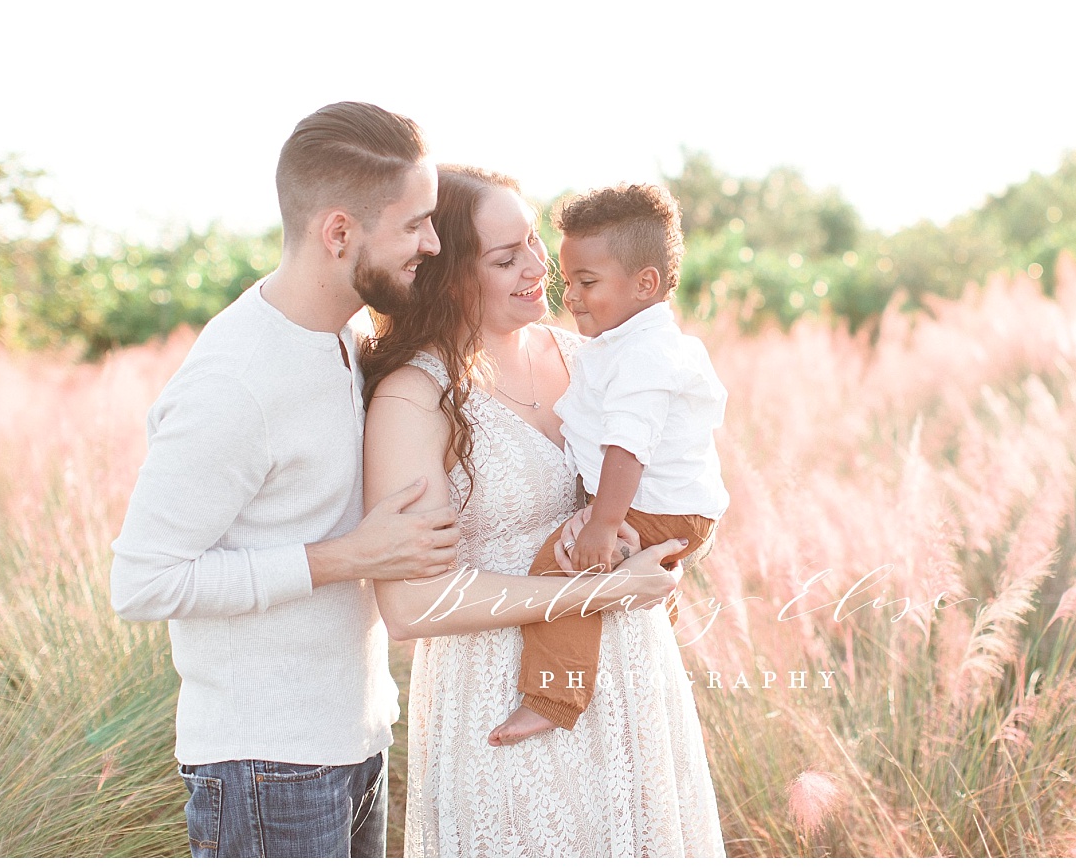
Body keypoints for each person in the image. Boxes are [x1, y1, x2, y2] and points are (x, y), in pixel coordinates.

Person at [109, 103, 680, 858]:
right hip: (262, 760)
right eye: (415, 225)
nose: (434, 242)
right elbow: (142, 583)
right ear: (339, 232)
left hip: (354, 738)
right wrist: (346, 558)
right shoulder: (236, 379)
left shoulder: (341, 341)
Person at [360, 165, 725, 857]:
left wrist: (668, 554)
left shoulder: (595, 355)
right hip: (500, 688)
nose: (539, 268)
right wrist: (613, 585)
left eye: (534, 243)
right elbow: (408, 607)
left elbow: (671, 475)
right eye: (506, 258)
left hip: (633, 681)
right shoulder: (416, 398)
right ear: (448, 274)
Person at [489, 182, 729, 745]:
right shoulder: (631, 345)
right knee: (596, 570)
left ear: (645, 283)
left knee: (563, 562)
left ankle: (553, 695)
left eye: (587, 283)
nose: (570, 295)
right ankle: (646, 633)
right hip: (670, 508)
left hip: (652, 508)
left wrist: (600, 523)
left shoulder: (643, 356)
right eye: (568, 280)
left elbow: (627, 448)